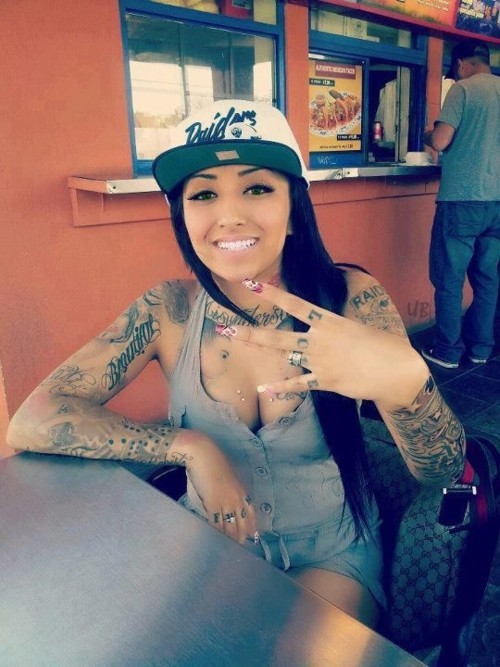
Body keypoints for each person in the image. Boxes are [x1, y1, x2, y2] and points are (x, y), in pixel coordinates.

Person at [7, 99, 466, 629]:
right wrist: (189, 447)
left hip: (329, 553)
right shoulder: (167, 311)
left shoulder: (351, 300)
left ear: (294, 210)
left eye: (257, 188)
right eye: (204, 194)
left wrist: (407, 388)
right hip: (207, 547)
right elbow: (33, 418)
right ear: (183, 218)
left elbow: (443, 470)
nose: (229, 215)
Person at [422, 38, 500, 369]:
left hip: (462, 200)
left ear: (460, 64)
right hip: (497, 204)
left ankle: (448, 351)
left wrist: (428, 134)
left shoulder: (463, 89)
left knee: (449, 279)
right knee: (487, 278)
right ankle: (481, 348)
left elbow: (441, 141)